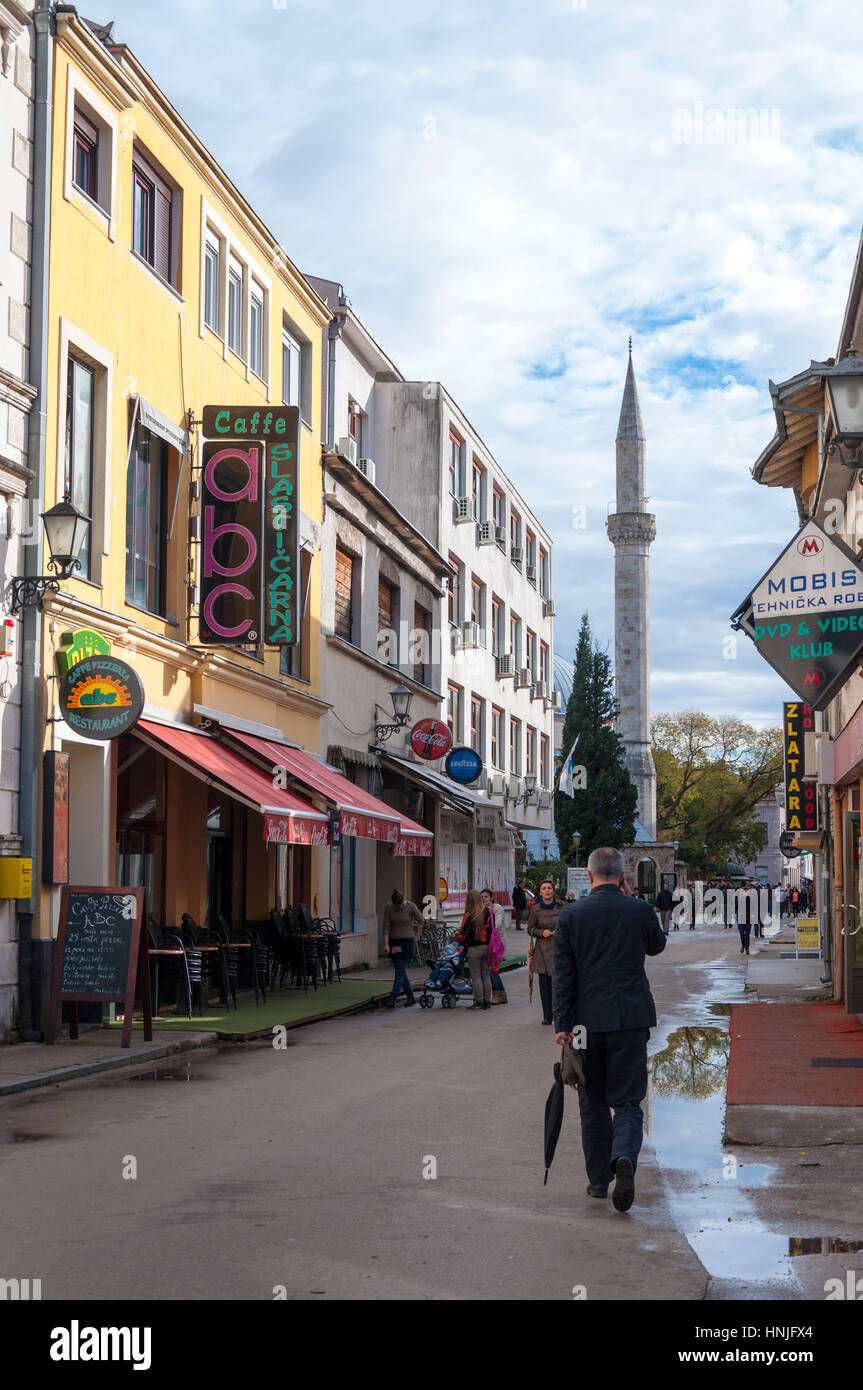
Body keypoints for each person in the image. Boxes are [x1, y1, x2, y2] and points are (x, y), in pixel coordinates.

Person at [553, 847, 666, 1212]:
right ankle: (624, 1157)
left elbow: (563, 976)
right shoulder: (639, 910)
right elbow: (657, 946)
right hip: (630, 1019)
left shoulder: (571, 914)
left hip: (586, 1023)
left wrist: (562, 1025)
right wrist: (633, 902)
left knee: (592, 1102)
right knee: (629, 1101)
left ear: (588, 876)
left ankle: (599, 1181)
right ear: (622, 877)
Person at [528, 876, 561, 1026]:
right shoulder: (535, 909)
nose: (547, 891)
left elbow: (569, 925)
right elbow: (530, 929)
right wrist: (541, 933)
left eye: (549, 888)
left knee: (558, 985)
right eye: (544, 889)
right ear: (540, 892)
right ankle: (547, 1016)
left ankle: (558, 1014)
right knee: (544, 986)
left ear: (553, 891)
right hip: (541, 951)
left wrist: (558, 932)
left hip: (558, 949)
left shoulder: (562, 907)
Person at [382, 889, 423, 1008]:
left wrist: (417, 936)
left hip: (407, 941)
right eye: (397, 906)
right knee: (400, 970)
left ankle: (393, 998)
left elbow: (421, 920)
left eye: (401, 905)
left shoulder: (411, 906)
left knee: (399, 970)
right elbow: (386, 926)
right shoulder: (389, 907)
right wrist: (386, 944)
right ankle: (410, 997)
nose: (400, 907)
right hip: (394, 941)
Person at [456, 889, 495, 1009]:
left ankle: (479, 1001)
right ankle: (487, 1001)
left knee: (476, 976)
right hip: (487, 947)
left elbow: (462, 932)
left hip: (473, 948)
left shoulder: (469, 914)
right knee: (486, 975)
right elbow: (493, 929)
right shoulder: (489, 911)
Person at [481, 888, 508, 1004]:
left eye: (486, 897)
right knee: (490, 970)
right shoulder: (482, 909)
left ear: (491, 898)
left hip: (497, 945)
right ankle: (500, 993)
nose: (483, 899)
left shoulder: (498, 909)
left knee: (493, 969)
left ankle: (498, 994)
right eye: (481, 897)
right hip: (485, 943)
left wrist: (482, 928)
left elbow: (496, 924)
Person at [736, 888, 753, 956]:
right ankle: (743, 945)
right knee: (742, 934)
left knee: (747, 934)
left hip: (749, 919)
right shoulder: (739, 899)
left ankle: (747, 948)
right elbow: (736, 908)